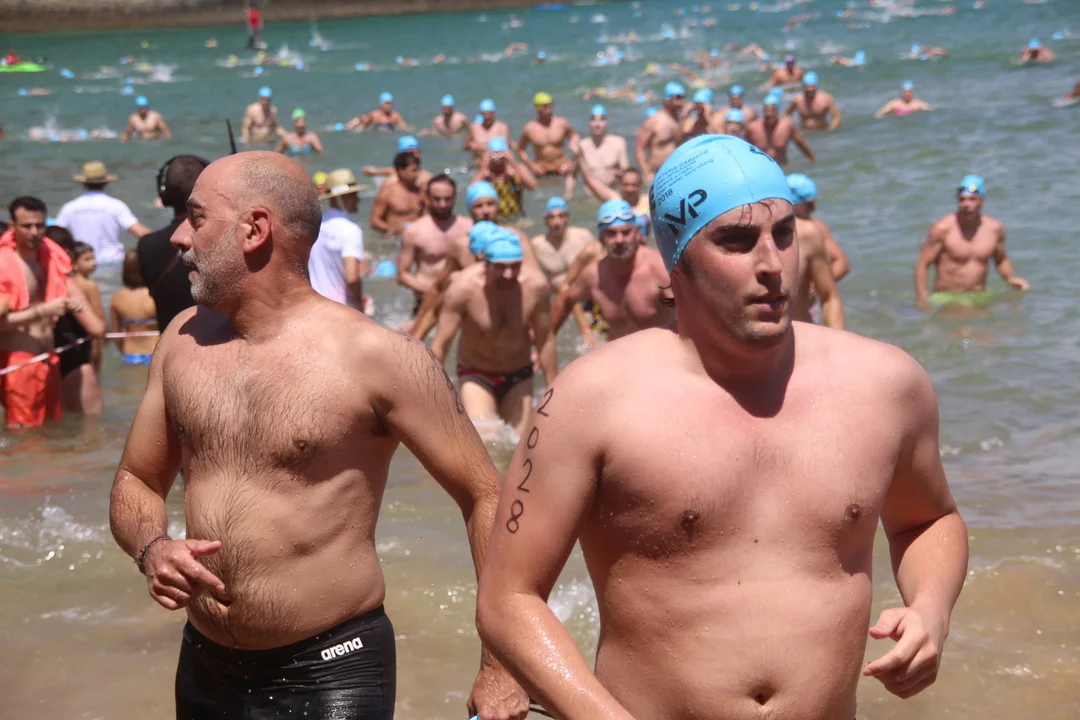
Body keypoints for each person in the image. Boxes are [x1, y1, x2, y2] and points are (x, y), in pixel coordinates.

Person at [477, 134, 969, 720]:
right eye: (736, 241)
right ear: (677, 259)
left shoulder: (886, 385)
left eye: (783, 233)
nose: (772, 265)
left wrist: (931, 610)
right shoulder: (591, 400)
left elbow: (928, 519)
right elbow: (508, 600)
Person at [108, 151, 529, 720]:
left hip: (333, 669)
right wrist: (152, 547)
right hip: (206, 666)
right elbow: (137, 478)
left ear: (255, 229)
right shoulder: (182, 340)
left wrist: (502, 665)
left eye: (197, 217)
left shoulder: (378, 357)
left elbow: (486, 497)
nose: (180, 236)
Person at [431, 223, 554, 438]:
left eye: (515, 266)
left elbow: (545, 339)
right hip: (476, 374)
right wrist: (432, 394)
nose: (508, 274)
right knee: (487, 439)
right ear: (484, 263)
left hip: (519, 375)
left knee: (518, 443)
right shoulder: (463, 289)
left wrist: (554, 390)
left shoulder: (536, 286)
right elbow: (441, 344)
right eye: (500, 267)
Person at [1, 196, 103, 428]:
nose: (34, 232)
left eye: (39, 225)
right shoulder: (4, 264)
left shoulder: (50, 257)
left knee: (51, 431)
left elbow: (97, 327)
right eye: (27, 226)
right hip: (20, 360)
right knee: (24, 436)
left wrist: (70, 304)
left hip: (49, 358)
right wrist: (45, 310)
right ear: (12, 226)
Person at [409, 182, 541, 341]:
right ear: (470, 210)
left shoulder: (515, 238)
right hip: (479, 320)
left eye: (490, 204)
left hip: (513, 312)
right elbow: (438, 290)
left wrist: (538, 333)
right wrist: (415, 335)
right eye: (479, 206)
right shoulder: (462, 245)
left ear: (498, 207)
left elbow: (537, 282)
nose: (485, 211)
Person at [545, 198, 673, 351]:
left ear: (637, 234)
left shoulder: (659, 269)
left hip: (659, 354)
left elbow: (692, 309)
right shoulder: (594, 275)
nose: (619, 240)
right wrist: (543, 346)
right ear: (600, 238)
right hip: (619, 356)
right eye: (611, 233)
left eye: (626, 232)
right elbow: (564, 300)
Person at [914, 175, 1029, 308]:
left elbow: (1001, 259)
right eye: (962, 199)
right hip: (946, 298)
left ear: (982, 201)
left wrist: (1011, 278)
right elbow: (922, 264)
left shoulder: (994, 229)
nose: (966, 204)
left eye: (972, 199)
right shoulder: (942, 229)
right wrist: (922, 298)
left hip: (978, 296)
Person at [137, 155, 208, 330]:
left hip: (169, 341)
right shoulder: (223, 239)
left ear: (164, 194)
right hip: (221, 342)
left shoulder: (146, 245)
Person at [45, 226, 104, 414]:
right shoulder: (66, 281)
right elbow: (96, 328)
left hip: (43, 364)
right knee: (91, 427)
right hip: (74, 363)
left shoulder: (33, 277)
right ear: (68, 252)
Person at [397, 174, 473, 316]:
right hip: (426, 300)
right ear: (427, 198)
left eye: (447, 199)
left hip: (462, 301)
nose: (442, 204)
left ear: (455, 197)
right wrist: (431, 292)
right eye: (437, 199)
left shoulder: (469, 227)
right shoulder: (414, 231)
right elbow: (402, 275)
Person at [55, 161, 151, 264]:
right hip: (113, 263)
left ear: (83, 183)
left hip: (83, 263)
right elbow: (143, 234)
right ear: (106, 182)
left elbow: (55, 236)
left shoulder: (70, 208)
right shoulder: (116, 206)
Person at [787, 174, 844, 329]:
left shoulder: (814, 227)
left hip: (806, 310)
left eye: (813, 203)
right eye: (809, 205)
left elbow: (841, 263)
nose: (813, 209)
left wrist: (815, 285)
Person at [309, 168, 368, 311]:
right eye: (353, 195)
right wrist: (360, 308)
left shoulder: (315, 226)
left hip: (313, 304)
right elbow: (352, 278)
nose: (358, 199)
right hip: (341, 308)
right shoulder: (350, 230)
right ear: (340, 198)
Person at [518, 92, 577, 195]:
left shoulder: (562, 123)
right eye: (545, 106)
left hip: (562, 170)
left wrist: (571, 162)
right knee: (541, 200)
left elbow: (577, 142)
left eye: (551, 105)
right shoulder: (529, 128)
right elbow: (520, 149)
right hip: (542, 172)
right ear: (538, 108)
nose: (549, 109)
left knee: (566, 198)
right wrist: (532, 166)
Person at [530, 197, 596, 289]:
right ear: (545, 221)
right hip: (556, 295)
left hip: (583, 293)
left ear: (567, 218)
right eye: (551, 217)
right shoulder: (536, 245)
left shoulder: (583, 236)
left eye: (561, 216)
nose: (557, 222)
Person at [109, 250, 159, 365]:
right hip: (155, 350)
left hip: (130, 354)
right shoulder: (155, 295)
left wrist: (122, 350)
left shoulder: (117, 297)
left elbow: (116, 334)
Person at [475, 137, 537, 223]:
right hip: (494, 219)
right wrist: (483, 166)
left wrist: (514, 163)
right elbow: (472, 192)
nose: (497, 158)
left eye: (500, 154)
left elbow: (532, 186)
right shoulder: (485, 174)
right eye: (493, 154)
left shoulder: (516, 170)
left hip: (517, 217)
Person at [636, 82, 685, 183]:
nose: (681, 102)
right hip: (655, 173)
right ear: (667, 100)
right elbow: (639, 149)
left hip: (674, 174)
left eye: (682, 98)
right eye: (678, 98)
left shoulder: (679, 121)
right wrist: (646, 173)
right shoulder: (654, 121)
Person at [746, 95, 816, 166]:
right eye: (767, 110)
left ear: (778, 111)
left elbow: (801, 144)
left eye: (773, 110)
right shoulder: (752, 128)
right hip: (762, 168)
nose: (769, 114)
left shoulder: (786, 126)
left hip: (782, 167)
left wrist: (813, 161)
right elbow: (743, 148)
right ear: (763, 111)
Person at [70, 241, 105, 371]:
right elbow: (99, 314)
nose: (93, 263)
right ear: (74, 265)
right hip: (92, 337)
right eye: (87, 259)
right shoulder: (90, 285)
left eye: (93, 258)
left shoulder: (70, 283)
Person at [575, 105, 630, 190]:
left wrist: (617, 173)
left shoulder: (618, 143)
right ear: (589, 123)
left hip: (611, 193)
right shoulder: (582, 146)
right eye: (594, 120)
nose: (597, 124)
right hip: (589, 195)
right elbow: (572, 175)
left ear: (607, 123)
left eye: (601, 120)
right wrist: (568, 195)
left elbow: (627, 174)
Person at [369, 152, 424, 237]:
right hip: (395, 239)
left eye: (418, 170)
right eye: (414, 170)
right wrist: (393, 230)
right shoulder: (389, 192)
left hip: (417, 237)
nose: (417, 174)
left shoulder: (421, 191)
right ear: (401, 171)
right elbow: (374, 221)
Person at [465, 99, 512, 165]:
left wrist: (478, 146)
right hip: (478, 164)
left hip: (497, 165)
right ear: (481, 114)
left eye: (489, 114)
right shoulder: (474, 127)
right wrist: (470, 146)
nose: (487, 117)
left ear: (494, 113)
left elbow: (504, 147)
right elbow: (466, 145)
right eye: (484, 114)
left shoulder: (502, 127)